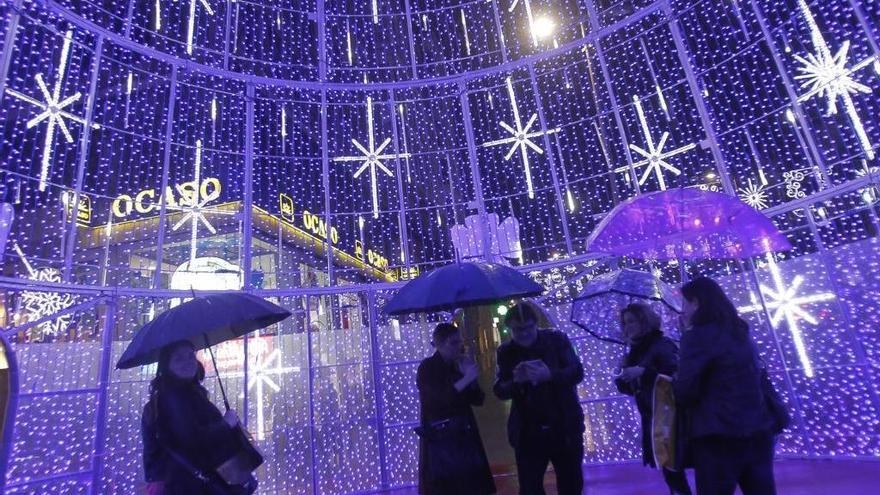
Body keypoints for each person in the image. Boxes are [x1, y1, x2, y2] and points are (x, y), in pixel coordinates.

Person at [674, 277, 777, 495]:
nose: (682, 310)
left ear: (696, 303)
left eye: (685, 304)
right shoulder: (740, 331)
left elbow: (685, 391)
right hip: (757, 427)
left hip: (717, 434)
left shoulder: (696, 337)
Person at [141, 340, 256, 495]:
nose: (187, 362)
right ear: (166, 366)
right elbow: (191, 441)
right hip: (188, 484)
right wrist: (225, 424)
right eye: (178, 358)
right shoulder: (172, 398)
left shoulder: (187, 392)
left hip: (192, 481)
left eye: (190, 356)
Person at [494, 303, 585, 495]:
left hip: (564, 425)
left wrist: (549, 375)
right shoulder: (506, 351)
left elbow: (577, 372)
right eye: (518, 330)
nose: (524, 334)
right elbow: (500, 390)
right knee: (530, 486)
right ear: (510, 329)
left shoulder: (557, 340)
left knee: (571, 483)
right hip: (528, 430)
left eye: (527, 328)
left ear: (535, 324)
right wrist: (516, 382)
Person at [614, 303, 692, 495]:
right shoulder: (635, 351)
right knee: (670, 470)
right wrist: (623, 376)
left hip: (671, 418)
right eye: (624, 323)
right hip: (654, 417)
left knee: (674, 468)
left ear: (644, 321)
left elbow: (674, 374)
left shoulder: (661, 345)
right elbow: (634, 389)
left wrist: (643, 372)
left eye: (631, 321)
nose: (627, 327)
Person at [417, 323, 496, 495]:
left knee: (470, 485)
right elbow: (436, 400)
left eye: (460, 342)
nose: (459, 347)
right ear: (440, 344)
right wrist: (466, 379)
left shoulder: (458, 365)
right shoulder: (428, 367)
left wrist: (472, 379)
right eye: (453, 343)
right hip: (443, 438)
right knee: (448, 487)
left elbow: (478, 399)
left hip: (464, 434)